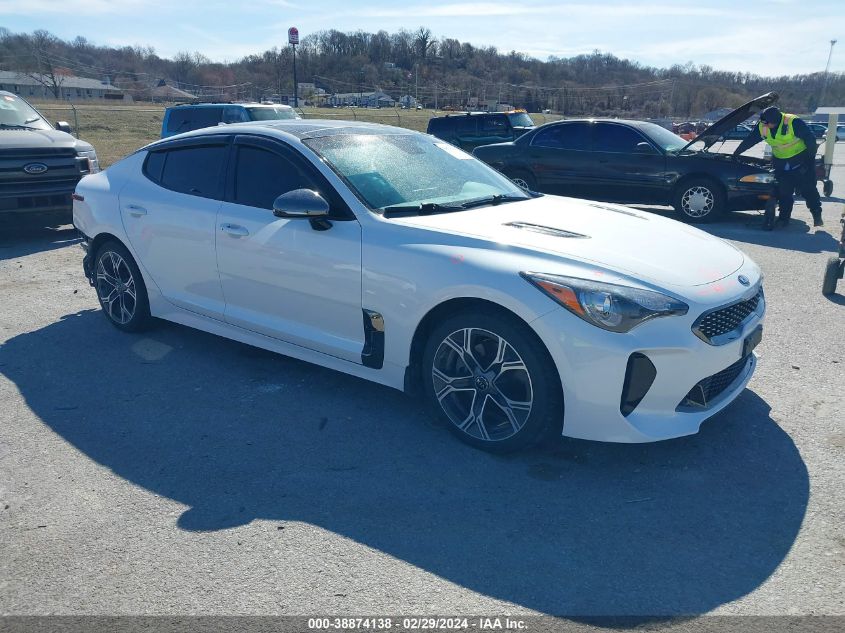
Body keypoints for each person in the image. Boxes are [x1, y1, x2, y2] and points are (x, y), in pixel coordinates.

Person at [734, 106, 823, 228]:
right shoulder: (763, 125)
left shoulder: (793, 122)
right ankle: (783, 219)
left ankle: (817, 216)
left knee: (809, 191)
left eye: (768, 124)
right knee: (784, 193)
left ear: (775, 121)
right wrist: (736, 153)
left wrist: (808, 162)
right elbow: (751, 140)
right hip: (781, 165)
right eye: (763, 123)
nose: (765, 126)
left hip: (802, 163)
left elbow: (811, 141)